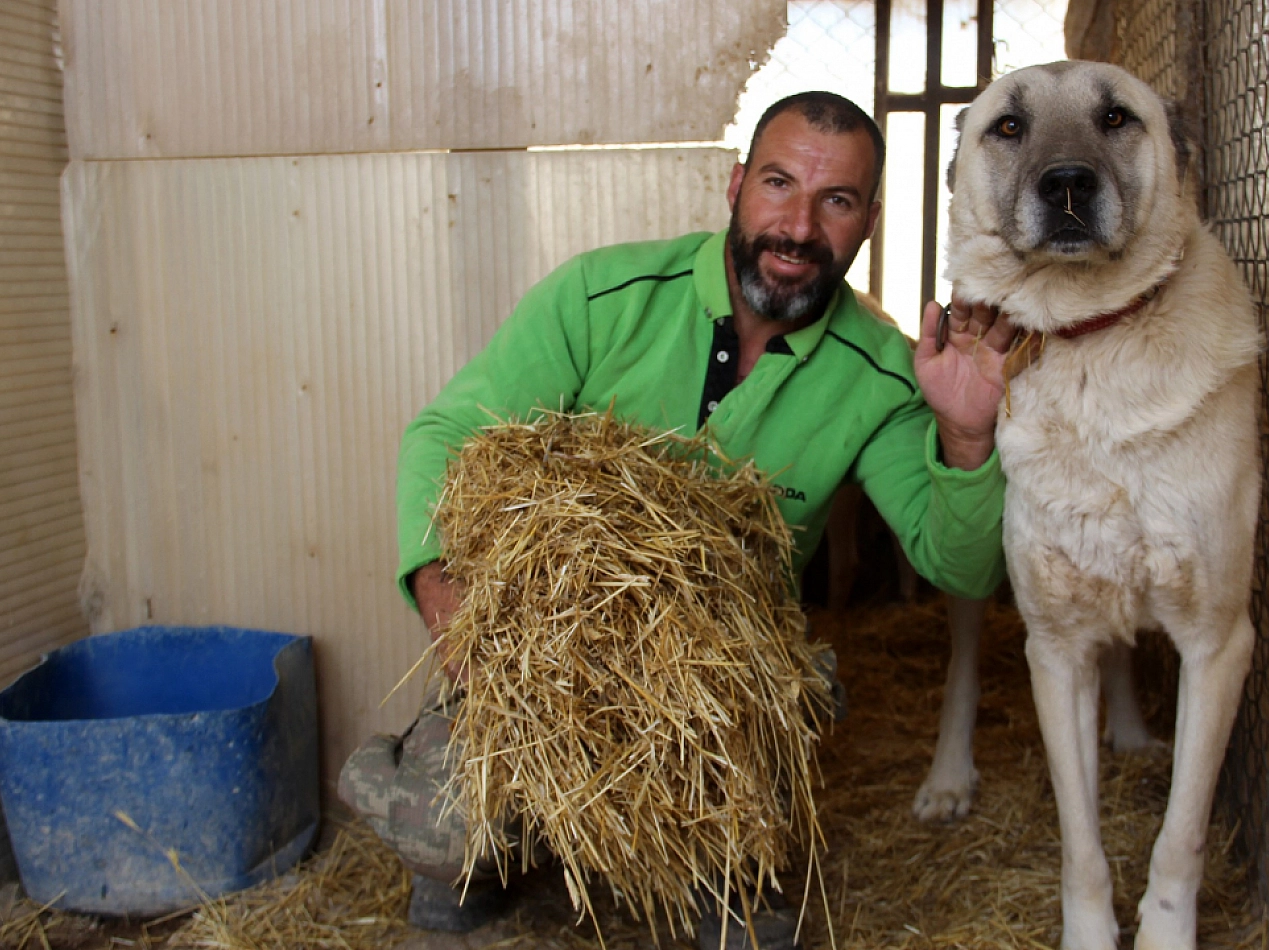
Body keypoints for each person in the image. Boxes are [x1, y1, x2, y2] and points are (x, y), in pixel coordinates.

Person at [340, 91, 1016, 948]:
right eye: (778, 184)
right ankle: (409, 796)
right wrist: (449, 609)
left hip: (717, 696)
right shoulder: (602, 295)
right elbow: (445, 433)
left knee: (749, 921)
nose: (799, 226)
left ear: (869, 221)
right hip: (545, 663)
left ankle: (673, 853)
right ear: (735, 185)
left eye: (835, 201)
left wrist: (963, 434)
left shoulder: (881, 370)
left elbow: (963, 569)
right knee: (449, 839)